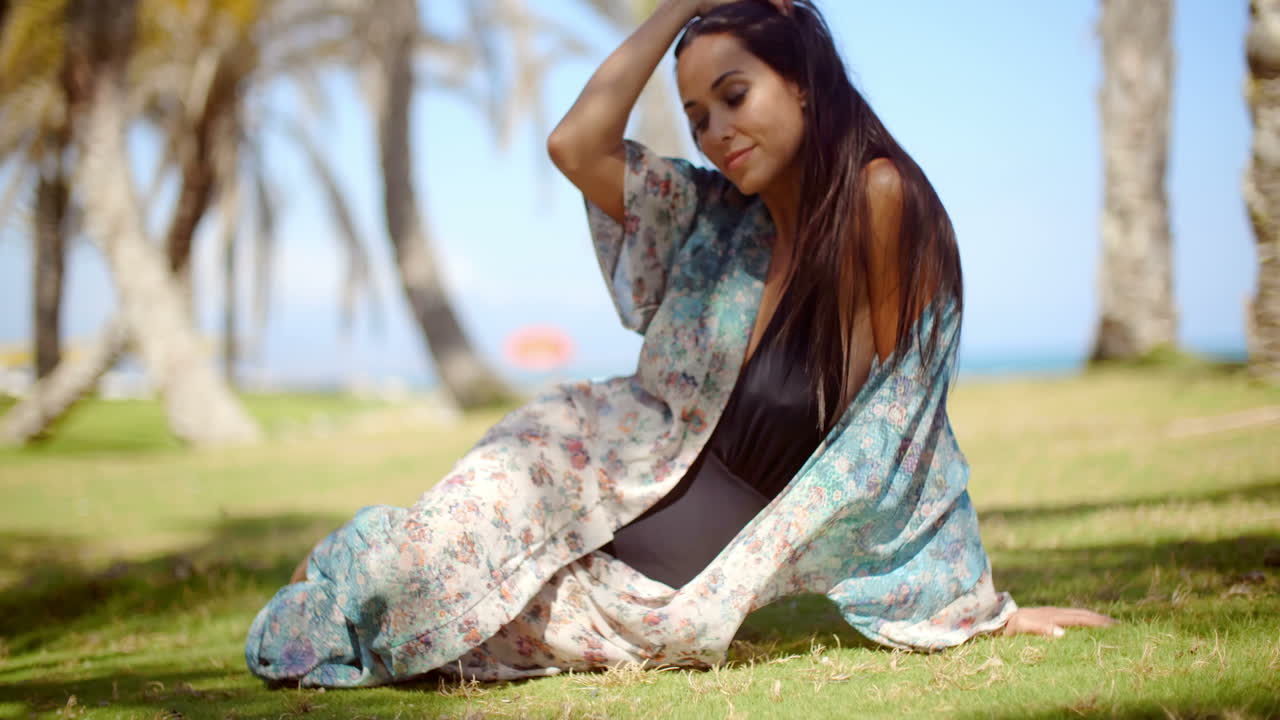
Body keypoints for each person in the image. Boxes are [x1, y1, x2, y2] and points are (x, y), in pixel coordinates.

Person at [246, 0, 1112, 688]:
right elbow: (573, 143)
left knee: (425, 636)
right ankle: (361, 559)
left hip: (650, 593)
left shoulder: (877, 205)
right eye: (696, 116)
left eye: (734, 97)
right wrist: (683, 7)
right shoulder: (708, 216)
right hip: (583, 478)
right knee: (414, 576)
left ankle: (358, 565)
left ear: (803, 82)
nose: (713, 132)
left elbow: (907, 428)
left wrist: (980, 608)